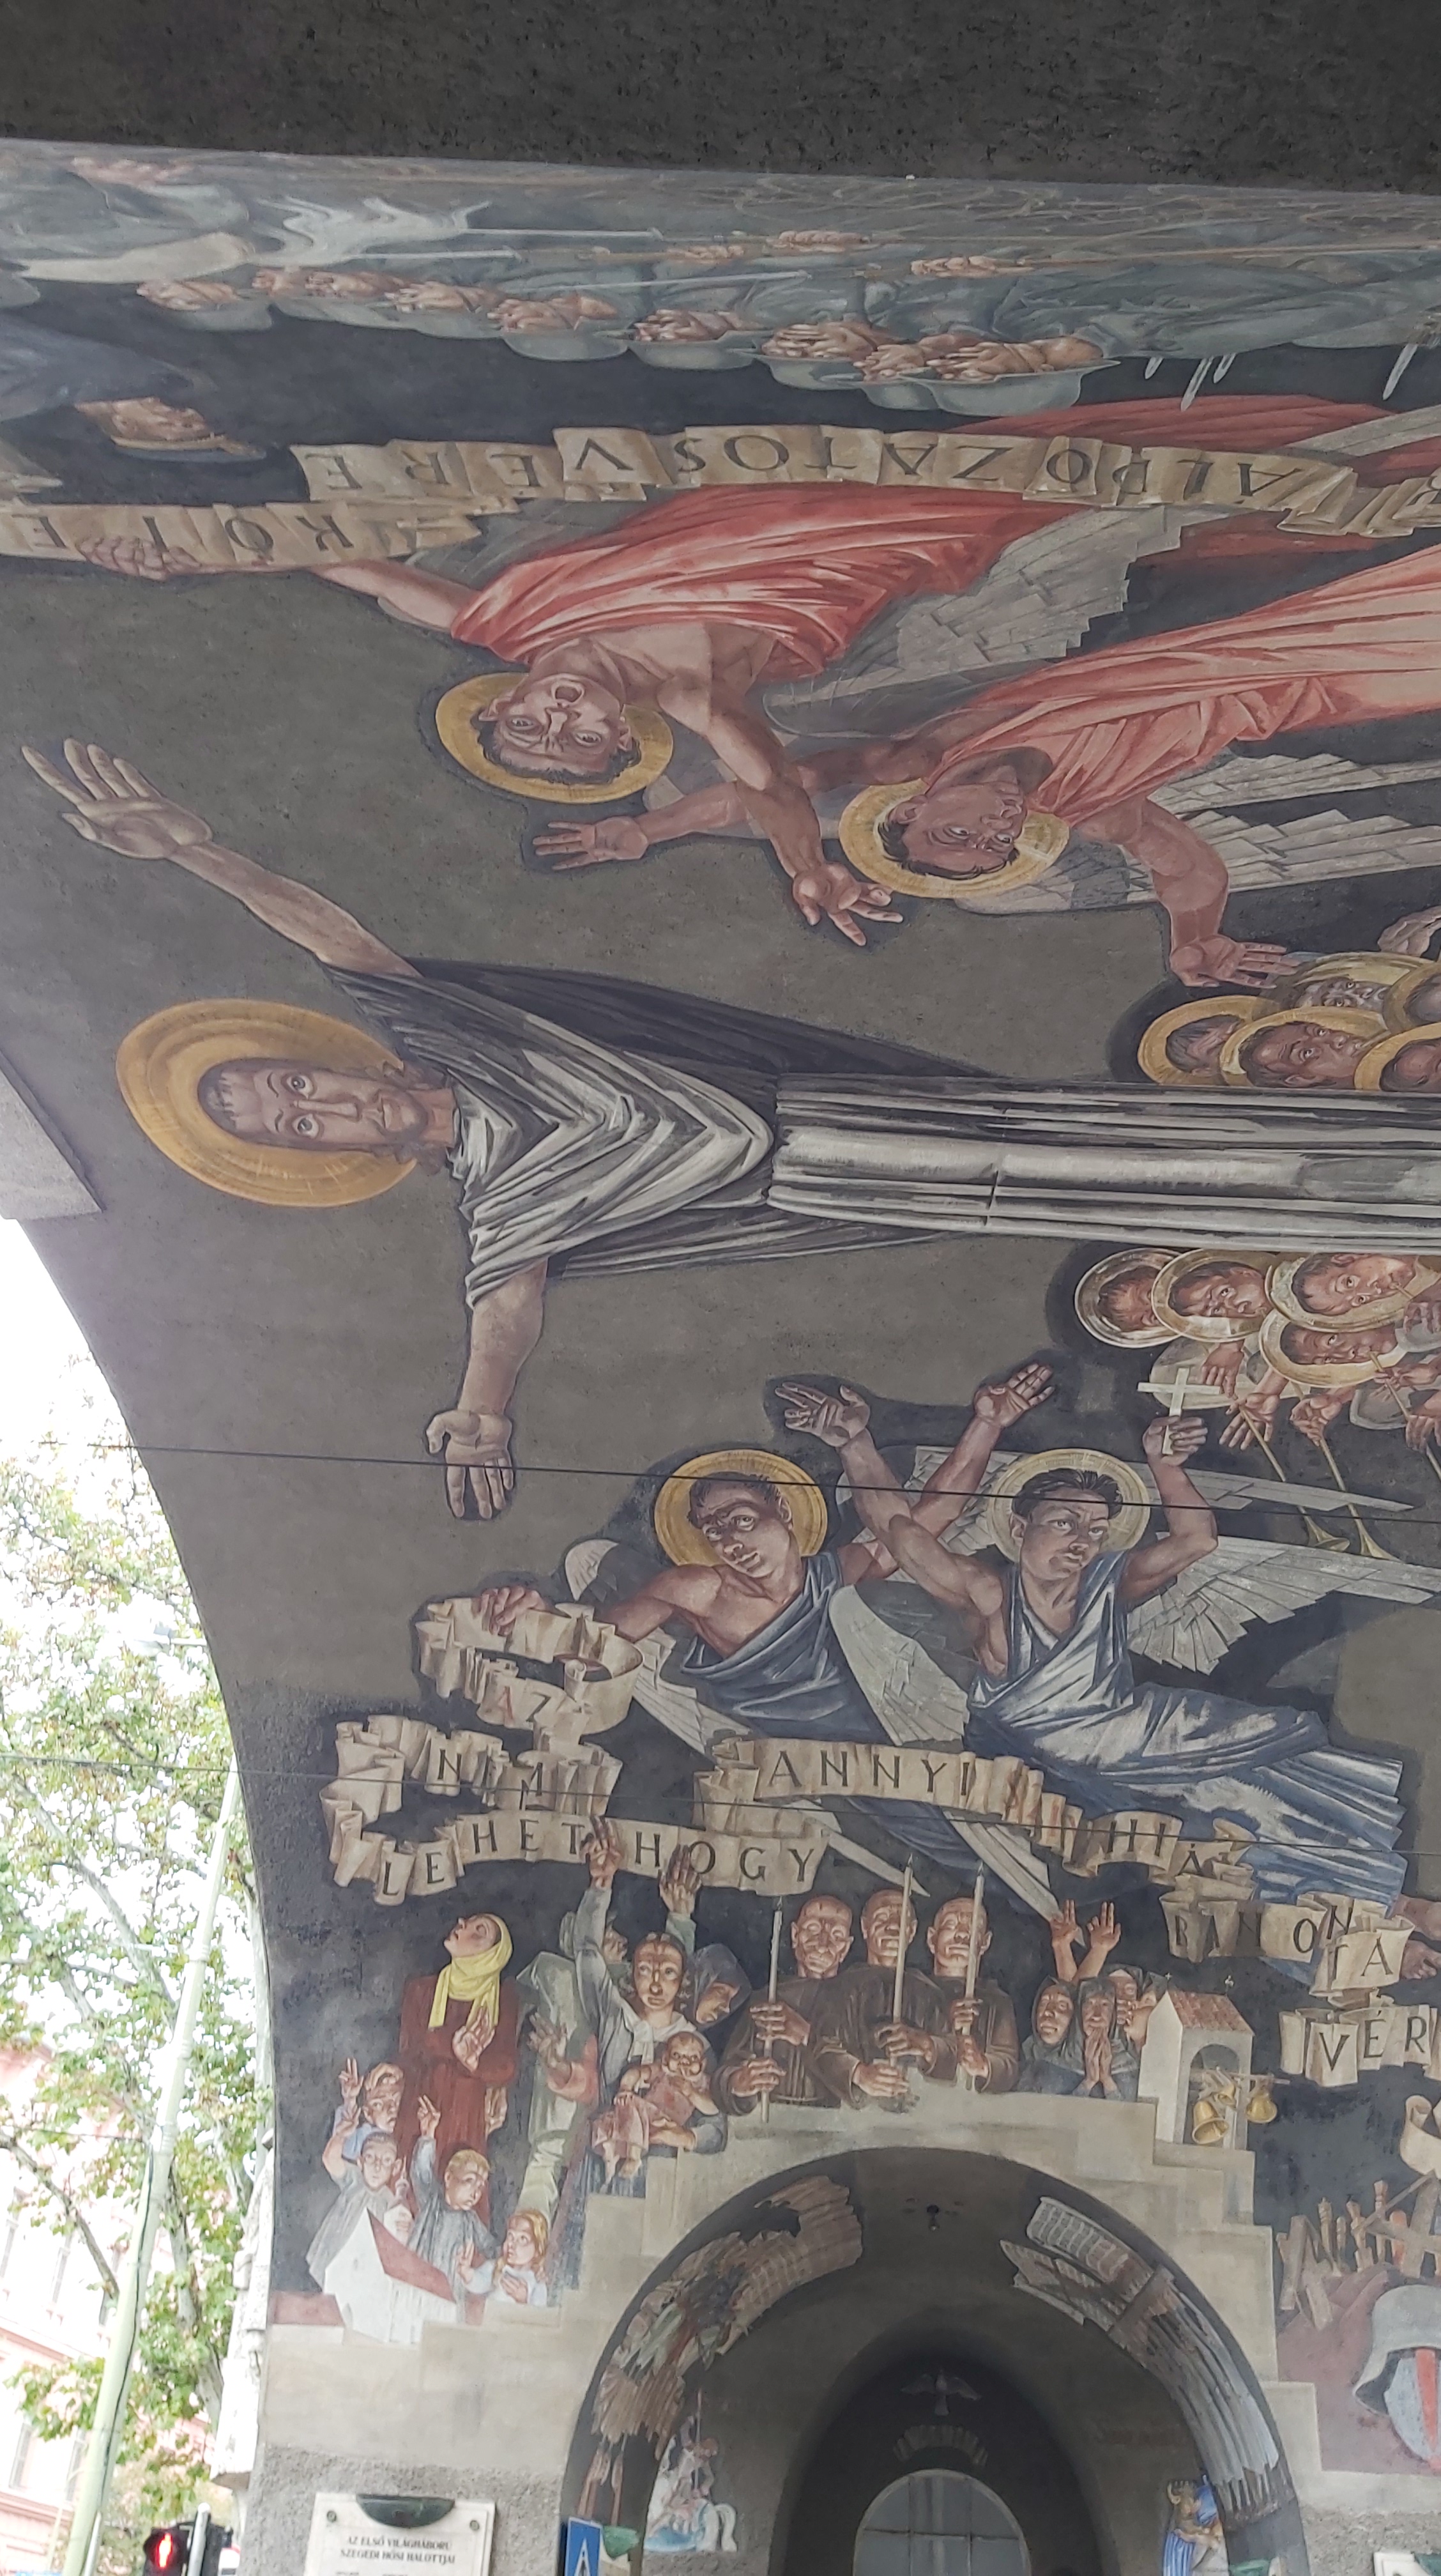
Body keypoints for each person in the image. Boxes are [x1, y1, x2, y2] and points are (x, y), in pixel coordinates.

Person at [35, 747, 1441, 1529]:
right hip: (829, 1174)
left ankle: (1392, 1147)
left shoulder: (455, 1033)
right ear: (321, 1160)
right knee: (1092, 1187)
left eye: (293, 1083)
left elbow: (336, 938)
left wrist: (197, 852)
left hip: (845, 1108)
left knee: (1090, 1131)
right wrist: (484, 1406)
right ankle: (1395, 1207)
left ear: (329, 1061)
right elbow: (504, 1311)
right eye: (291, 1126)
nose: (316, 1106)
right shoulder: (502, 1201)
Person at [66, 392, 1433, 956]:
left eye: (532, 729)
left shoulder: (493, 618)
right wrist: (804, 869)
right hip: (891, 537)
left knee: (1106, 460)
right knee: (1119, 491)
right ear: (625, 743)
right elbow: (777, 786)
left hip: (767, 495)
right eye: (572, 747)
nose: (556, 720)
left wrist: (193, 557)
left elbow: (354, 567)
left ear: (510, 700)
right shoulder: (708, 706)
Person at [476, 1365, 1052, 1879]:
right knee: (978, 1860)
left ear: (781, 1511)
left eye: (742, 1519)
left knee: (1023, 1837)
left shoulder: (839, 1573)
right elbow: (603, 1643)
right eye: (715, 1530)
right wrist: (540, 1616)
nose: (731, 1540)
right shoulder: (700, 1590)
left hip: (919, 1740)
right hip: (839, 1781)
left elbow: (931, 1516)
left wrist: (986, 1424)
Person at [827, 1399, 1407, 1910]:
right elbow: (901, 1531)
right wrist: (857, 1444)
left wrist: (1164, 1465)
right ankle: (1371, 1899)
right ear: (1020, 1526)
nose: (1082, 1540)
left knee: (1286, 1777)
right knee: (1235, 1815)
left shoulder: (1108, 1582)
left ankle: (1384, 1892)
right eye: (1065, 1522)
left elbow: (1197, 1540)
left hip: (1156, 1735)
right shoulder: (988, 1596)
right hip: (1080, 1769)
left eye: (1096, 1530)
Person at [397, 1913, 519, 2175]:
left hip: (464, 2114)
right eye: (468, 1921)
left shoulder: (502, 1999)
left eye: (479, 1931)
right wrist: (454, 2046)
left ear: (492, 1956)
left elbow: (505, 2065)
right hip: (421, 2105)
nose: (462, 1924)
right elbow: (410, 2050)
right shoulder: (421, 1990)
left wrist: (475, 2063)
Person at [807, 1888, 950, 2107]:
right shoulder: (840, 1988)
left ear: (912, 1931)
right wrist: (859, 2074)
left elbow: (952, 2051)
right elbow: (821, 2046)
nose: (892, 1926)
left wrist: (927, 2045)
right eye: (882, 1918)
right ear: (865, 1927)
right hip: (856, 2113)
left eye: (900, 1919)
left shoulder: (929, 1992)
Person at [714, 1893, 853, 2113]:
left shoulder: (855, 2001)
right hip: (771, 2121)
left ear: (845, 1949)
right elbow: (725, 2073)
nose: (822, 1944)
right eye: (813, 1930)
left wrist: (806, 2034)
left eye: (836, 1935)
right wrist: (739, 2081)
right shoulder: (767, 1998)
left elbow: (863, 2078)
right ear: (795, 1935)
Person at [885, 1893, 1019, 2092]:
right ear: (932, 1938)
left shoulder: (996, 2001)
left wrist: (983, 2065)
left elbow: (1009, 2066)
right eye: (951, 1925)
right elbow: (892, 2047)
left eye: (973, 1928)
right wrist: (944, 2026)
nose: (962, 1935)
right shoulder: (907, 1990)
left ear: (985, 1942)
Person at [408, 2099, 498, 2305]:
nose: (476, 2193)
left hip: (450, 2295)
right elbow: (422, 2171)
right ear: (449, 2178)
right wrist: (428, 2133)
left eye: (480, 2187)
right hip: (420, 2288)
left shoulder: (470, 2220)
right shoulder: (432, 2201)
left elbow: (490, 2247)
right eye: (469, 2181)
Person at [307, 2128, 409, 2287]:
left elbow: (398, 2242)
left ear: (396, 2167)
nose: (377, 2166)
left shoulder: (391, 2203)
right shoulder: (354, 2179)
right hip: (335, 2255)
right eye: (370, 2157)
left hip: (362, 2267)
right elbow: (330, 2159)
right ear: (360, 2162)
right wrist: (341, 2135)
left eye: (387, 2160)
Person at [326, 2057, 404, 2168]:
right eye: (378, 2105)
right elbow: (346, 2148)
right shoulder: (365, 2136)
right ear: (368, 2114)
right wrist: (350, 2102)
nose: (391, 2108)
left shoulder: (408, 2125)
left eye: (397, 2100)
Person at [1016, 1979, 1081, 2094]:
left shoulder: (1083, 2065)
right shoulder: (1019, 2057)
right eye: (1044, 2003)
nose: (1048, 2012)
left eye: (1062, 2005)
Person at [475, 2209, 551, 2305]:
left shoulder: (537, 2282)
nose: (512, 2244)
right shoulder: (495, 2267)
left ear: (538, 2250)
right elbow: (477, 2282)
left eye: (522, 2239)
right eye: (510, 2236)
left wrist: (523, 2300)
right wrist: (466, 2274)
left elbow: (539, 2312)